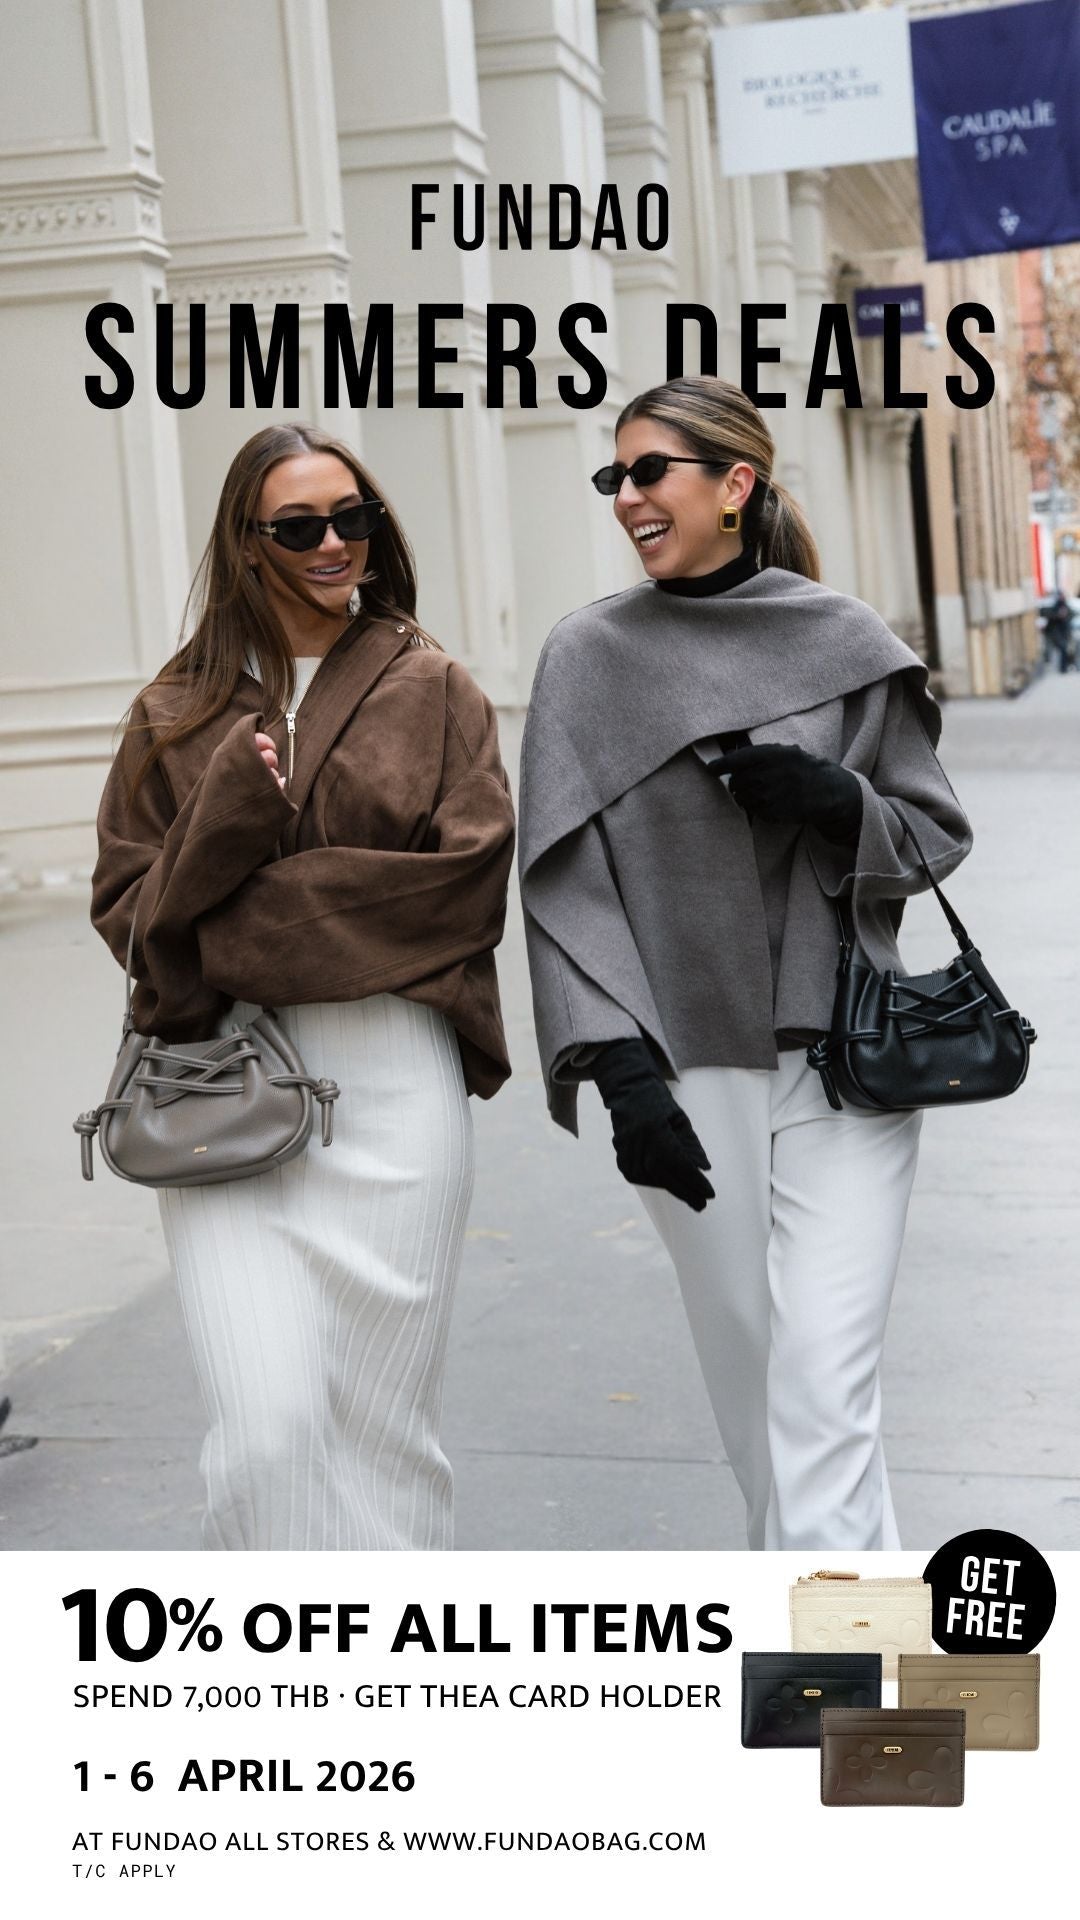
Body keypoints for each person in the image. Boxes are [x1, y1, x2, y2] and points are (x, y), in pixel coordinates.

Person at [519, 376, 972, 1552]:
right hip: (684, 1066)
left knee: (823, 1385)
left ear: (735, 484)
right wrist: (617, 1070)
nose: (628, 497)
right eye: (615, 476)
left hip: (846, 1058)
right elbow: (563, 884)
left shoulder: (846, 640)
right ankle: (843, 1645)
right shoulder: (587, 657)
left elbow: (933, 836)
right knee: (755, 1394)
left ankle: (826, 1657)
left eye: (650, 471)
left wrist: (840, 803)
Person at [92, 423, 515, 1551]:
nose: (334, 543)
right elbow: (131, 919)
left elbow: (461, 891)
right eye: (299, 527)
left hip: (396, 1086)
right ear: (246, 543)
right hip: (218, 1087)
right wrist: (226, 823)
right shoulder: (172, 711)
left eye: (352, 517)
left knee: (385, 1432)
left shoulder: (434, 688)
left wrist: (220, 921)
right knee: (264, 1433)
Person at [1045, 590, 1073, 672]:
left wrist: (1065, 615)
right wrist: (1058, 615)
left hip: (1065, 632)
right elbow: (1050, 618)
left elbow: (1070, 616)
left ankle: (1064, 667)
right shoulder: (1055, 607)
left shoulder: (1066, 606)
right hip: (1057, 633)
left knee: (1065, 650)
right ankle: (1062, 668)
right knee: (1061, 649)